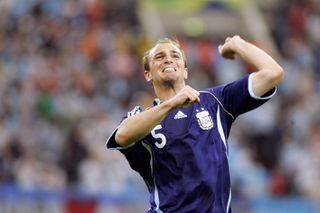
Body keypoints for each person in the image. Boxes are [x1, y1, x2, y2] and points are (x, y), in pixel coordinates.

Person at [106, 35, 284, 213]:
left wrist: (239, 44)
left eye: (175, 56)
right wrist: (172, 103)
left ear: (185, 71)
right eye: (159, 57)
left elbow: (273, 73)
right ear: (148, 74)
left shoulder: (214, 101)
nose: (168, 59)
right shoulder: (140, 117)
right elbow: (122, 136)